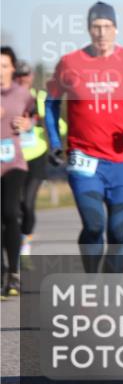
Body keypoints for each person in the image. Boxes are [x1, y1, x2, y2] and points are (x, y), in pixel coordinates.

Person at [45, 2, 123, 273]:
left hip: (122, 159)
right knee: (94, 224)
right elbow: (50, 104)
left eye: (107, 27)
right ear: (88, 29)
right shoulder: (69, 63)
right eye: (96, 27)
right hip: (83, 157)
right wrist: (53, 141)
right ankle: (91, 278)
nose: (102, 33)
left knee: (118, 231)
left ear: (116, 29)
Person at [13, 61, 66, 259]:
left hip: (35, 157)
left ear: (32, 76)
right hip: (12, 158)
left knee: (27, 203)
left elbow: (60, 127)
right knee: (13, 206)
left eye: (25, 75)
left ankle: (26, 240)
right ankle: (12, 241)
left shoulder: (41, 98)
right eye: (18, 75)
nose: (22, 79)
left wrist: (35, 125)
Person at [1, 47, 36, 297]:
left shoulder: (22, 94)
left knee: (11, 213)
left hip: (14, 163)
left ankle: (13, 272)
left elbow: (34, 117)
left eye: (4, 65)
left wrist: (27, 123)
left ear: (12, 68)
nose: (0, 70)